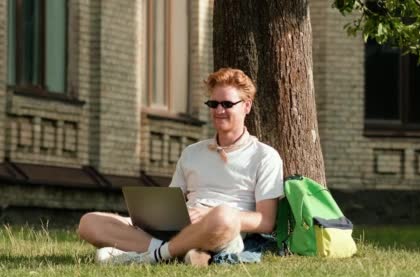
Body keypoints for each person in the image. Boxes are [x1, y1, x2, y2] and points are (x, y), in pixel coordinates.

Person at [77, 68, 284, 265]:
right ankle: (178, 252)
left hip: (223, 228)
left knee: (223, 215)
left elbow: (265, 221)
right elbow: (173, 199)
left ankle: (153, 256)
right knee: (90, 222)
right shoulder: (192, 153)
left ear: (246, 106)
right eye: (214, 104)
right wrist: (153, 215)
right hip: (182, 226)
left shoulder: (265, 156)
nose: (219, 110)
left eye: (227, 104)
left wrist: (208, 214)